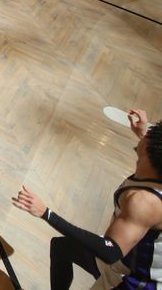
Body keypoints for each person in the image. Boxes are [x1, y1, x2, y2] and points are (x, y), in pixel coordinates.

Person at [12, 109, 162, 289]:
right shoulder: (153, 169)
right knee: (62, 248)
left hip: (134, 280)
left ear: (148, 149)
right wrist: (144, 133)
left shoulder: (145, 202)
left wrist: (46, 213)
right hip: (123, 258)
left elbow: (111, 251)